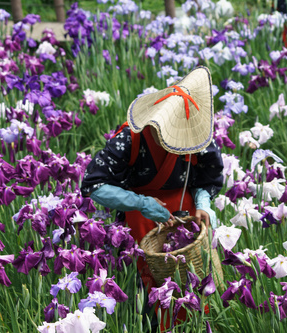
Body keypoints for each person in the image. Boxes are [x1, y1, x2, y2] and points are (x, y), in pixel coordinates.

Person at [80, 66, 224, 328]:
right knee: (152, 283)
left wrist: (203, 203)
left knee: (196, 279)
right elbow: (93, 184)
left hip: (186, 209)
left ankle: (200, 323)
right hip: (140, 212)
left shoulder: (197, 135)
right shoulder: (129, 139)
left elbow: (210, 175)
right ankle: (155, 325)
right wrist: (141, 203)